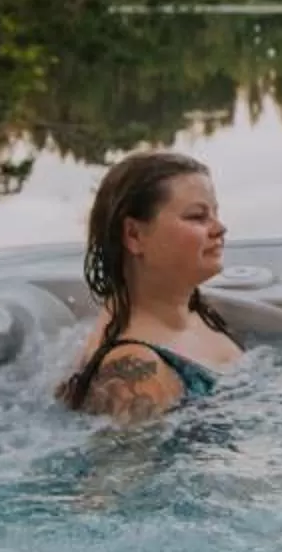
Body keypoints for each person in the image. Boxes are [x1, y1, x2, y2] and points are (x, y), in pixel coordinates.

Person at [56, 150, 242, 420]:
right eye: (197, 217)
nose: (220, 228)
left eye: (215, 213)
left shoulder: (197, 313)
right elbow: (128, 463)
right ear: (134, 235)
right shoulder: (137, 371)